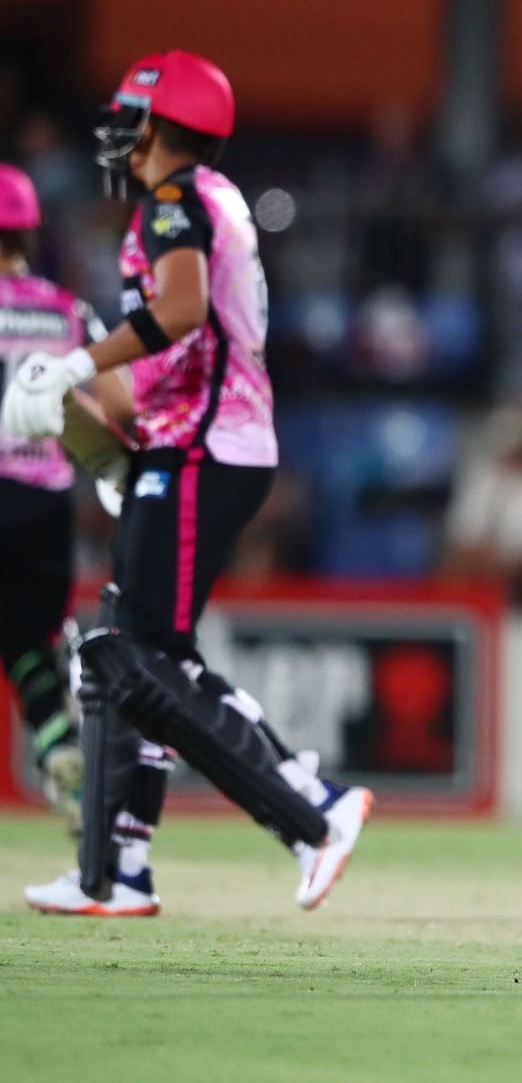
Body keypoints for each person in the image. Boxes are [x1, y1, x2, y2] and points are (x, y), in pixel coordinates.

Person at [0, 50, 370, 915]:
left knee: (140, 655)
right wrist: (80, 418)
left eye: (133, 112)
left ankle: (314, 807)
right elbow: (162, 366)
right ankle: (114, 869)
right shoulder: (205, 202)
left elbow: (180, 312)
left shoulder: (176, 202)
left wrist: (71, 366)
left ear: (163, 125)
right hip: (192, 441)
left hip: (208, 447)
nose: (118, 129)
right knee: (117, 653)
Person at [0, 163, 98, 830]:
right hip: (46, 500)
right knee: (26, 638)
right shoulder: (69, 310)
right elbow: (103, 400)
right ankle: (58, 741)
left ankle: (58, 743)